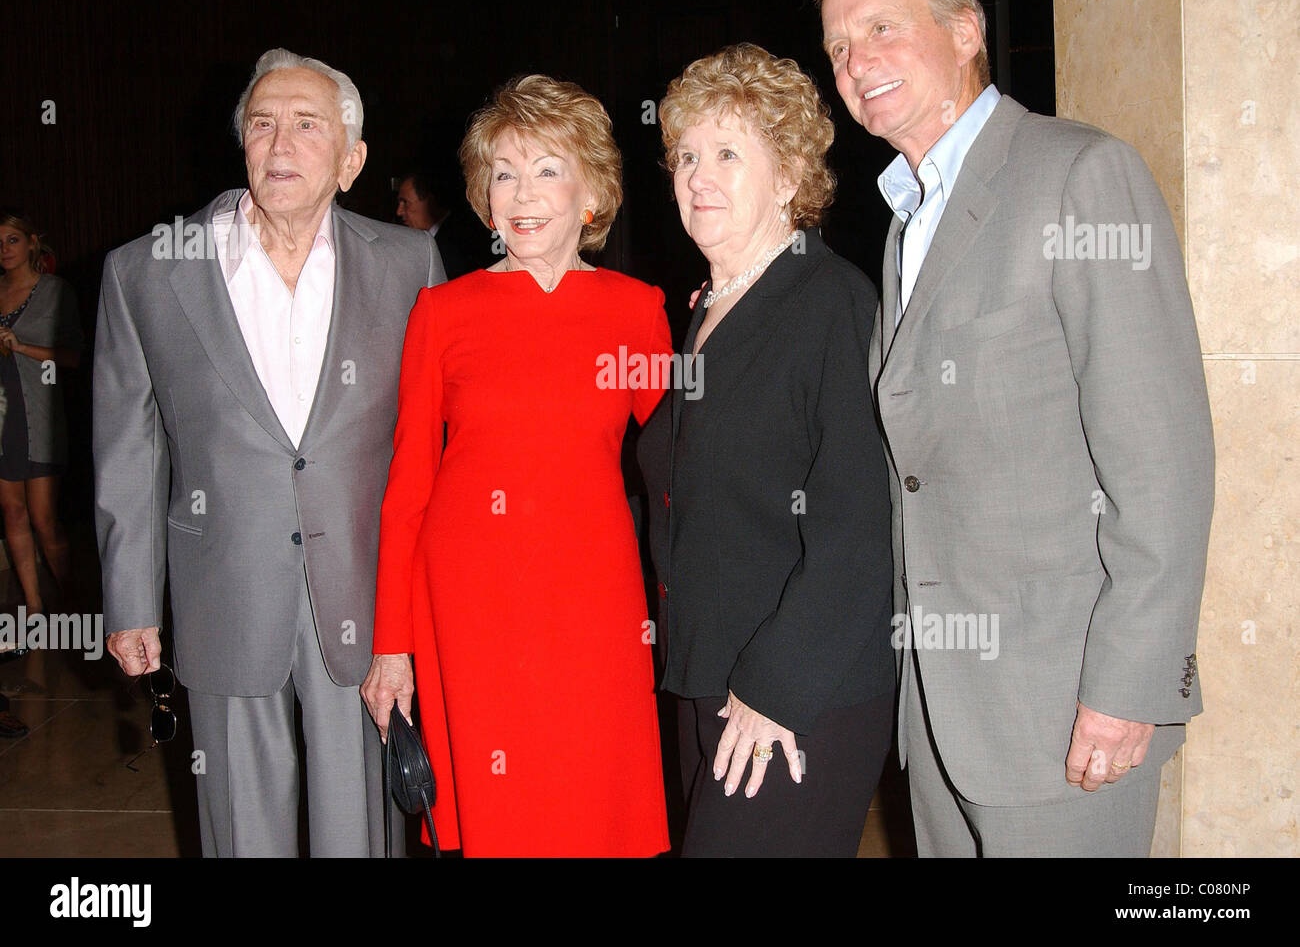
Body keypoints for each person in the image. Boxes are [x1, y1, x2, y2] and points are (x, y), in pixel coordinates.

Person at [815, 0, 1215, 857]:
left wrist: (1132, 685)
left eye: (880, 27)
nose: (856, 61)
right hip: (944, 716)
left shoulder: (1079, 175)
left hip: (1066, 704)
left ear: (965, 30)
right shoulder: (905, 220)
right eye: (837, 45)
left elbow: (1163, 462)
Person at [94, 48, 445, 857]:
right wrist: (129, 598)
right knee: (238, 831)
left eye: (307, 125)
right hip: (223, 592)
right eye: (263, 124)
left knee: (359, 829)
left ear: (352, 161)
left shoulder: (408, 265)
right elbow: (127, 447)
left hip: (362, 606)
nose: (280, 143)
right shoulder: (147, 271)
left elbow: (429, 446)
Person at [363, 74, 671, 857]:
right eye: (504, 172)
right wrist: (390, 643)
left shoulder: (637, 310)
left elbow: (685, 466)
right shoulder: (444, 311)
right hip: (470, 607)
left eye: (547, 169)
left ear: (591, 192)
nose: (522, 194)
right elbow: (408, 487)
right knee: (499, 820)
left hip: (596, 605)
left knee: (593, 806)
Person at [640, 44, 894, 857]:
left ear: (787, 176)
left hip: (794, 691)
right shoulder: (712, 307)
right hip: (708, 676)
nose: (696, 177)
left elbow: (861, 525)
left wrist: (776, 688)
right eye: (684, 156)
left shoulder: (831, 304)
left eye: (725, 154)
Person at [0, 211, 83, 617]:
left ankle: (70, 602)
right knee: (12, 512)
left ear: (32, 242)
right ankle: (33, 606)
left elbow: (73, 357)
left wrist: (20, 347)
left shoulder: (55, 291)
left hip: (38, 417)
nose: (4, 250)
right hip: (2, 417)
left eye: (12, 240)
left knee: (45, 519)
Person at [395, 170, 489, 280]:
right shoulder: (416, 242)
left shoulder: (461, 241)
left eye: (405, 202)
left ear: (429, 201)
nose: (399, 211)